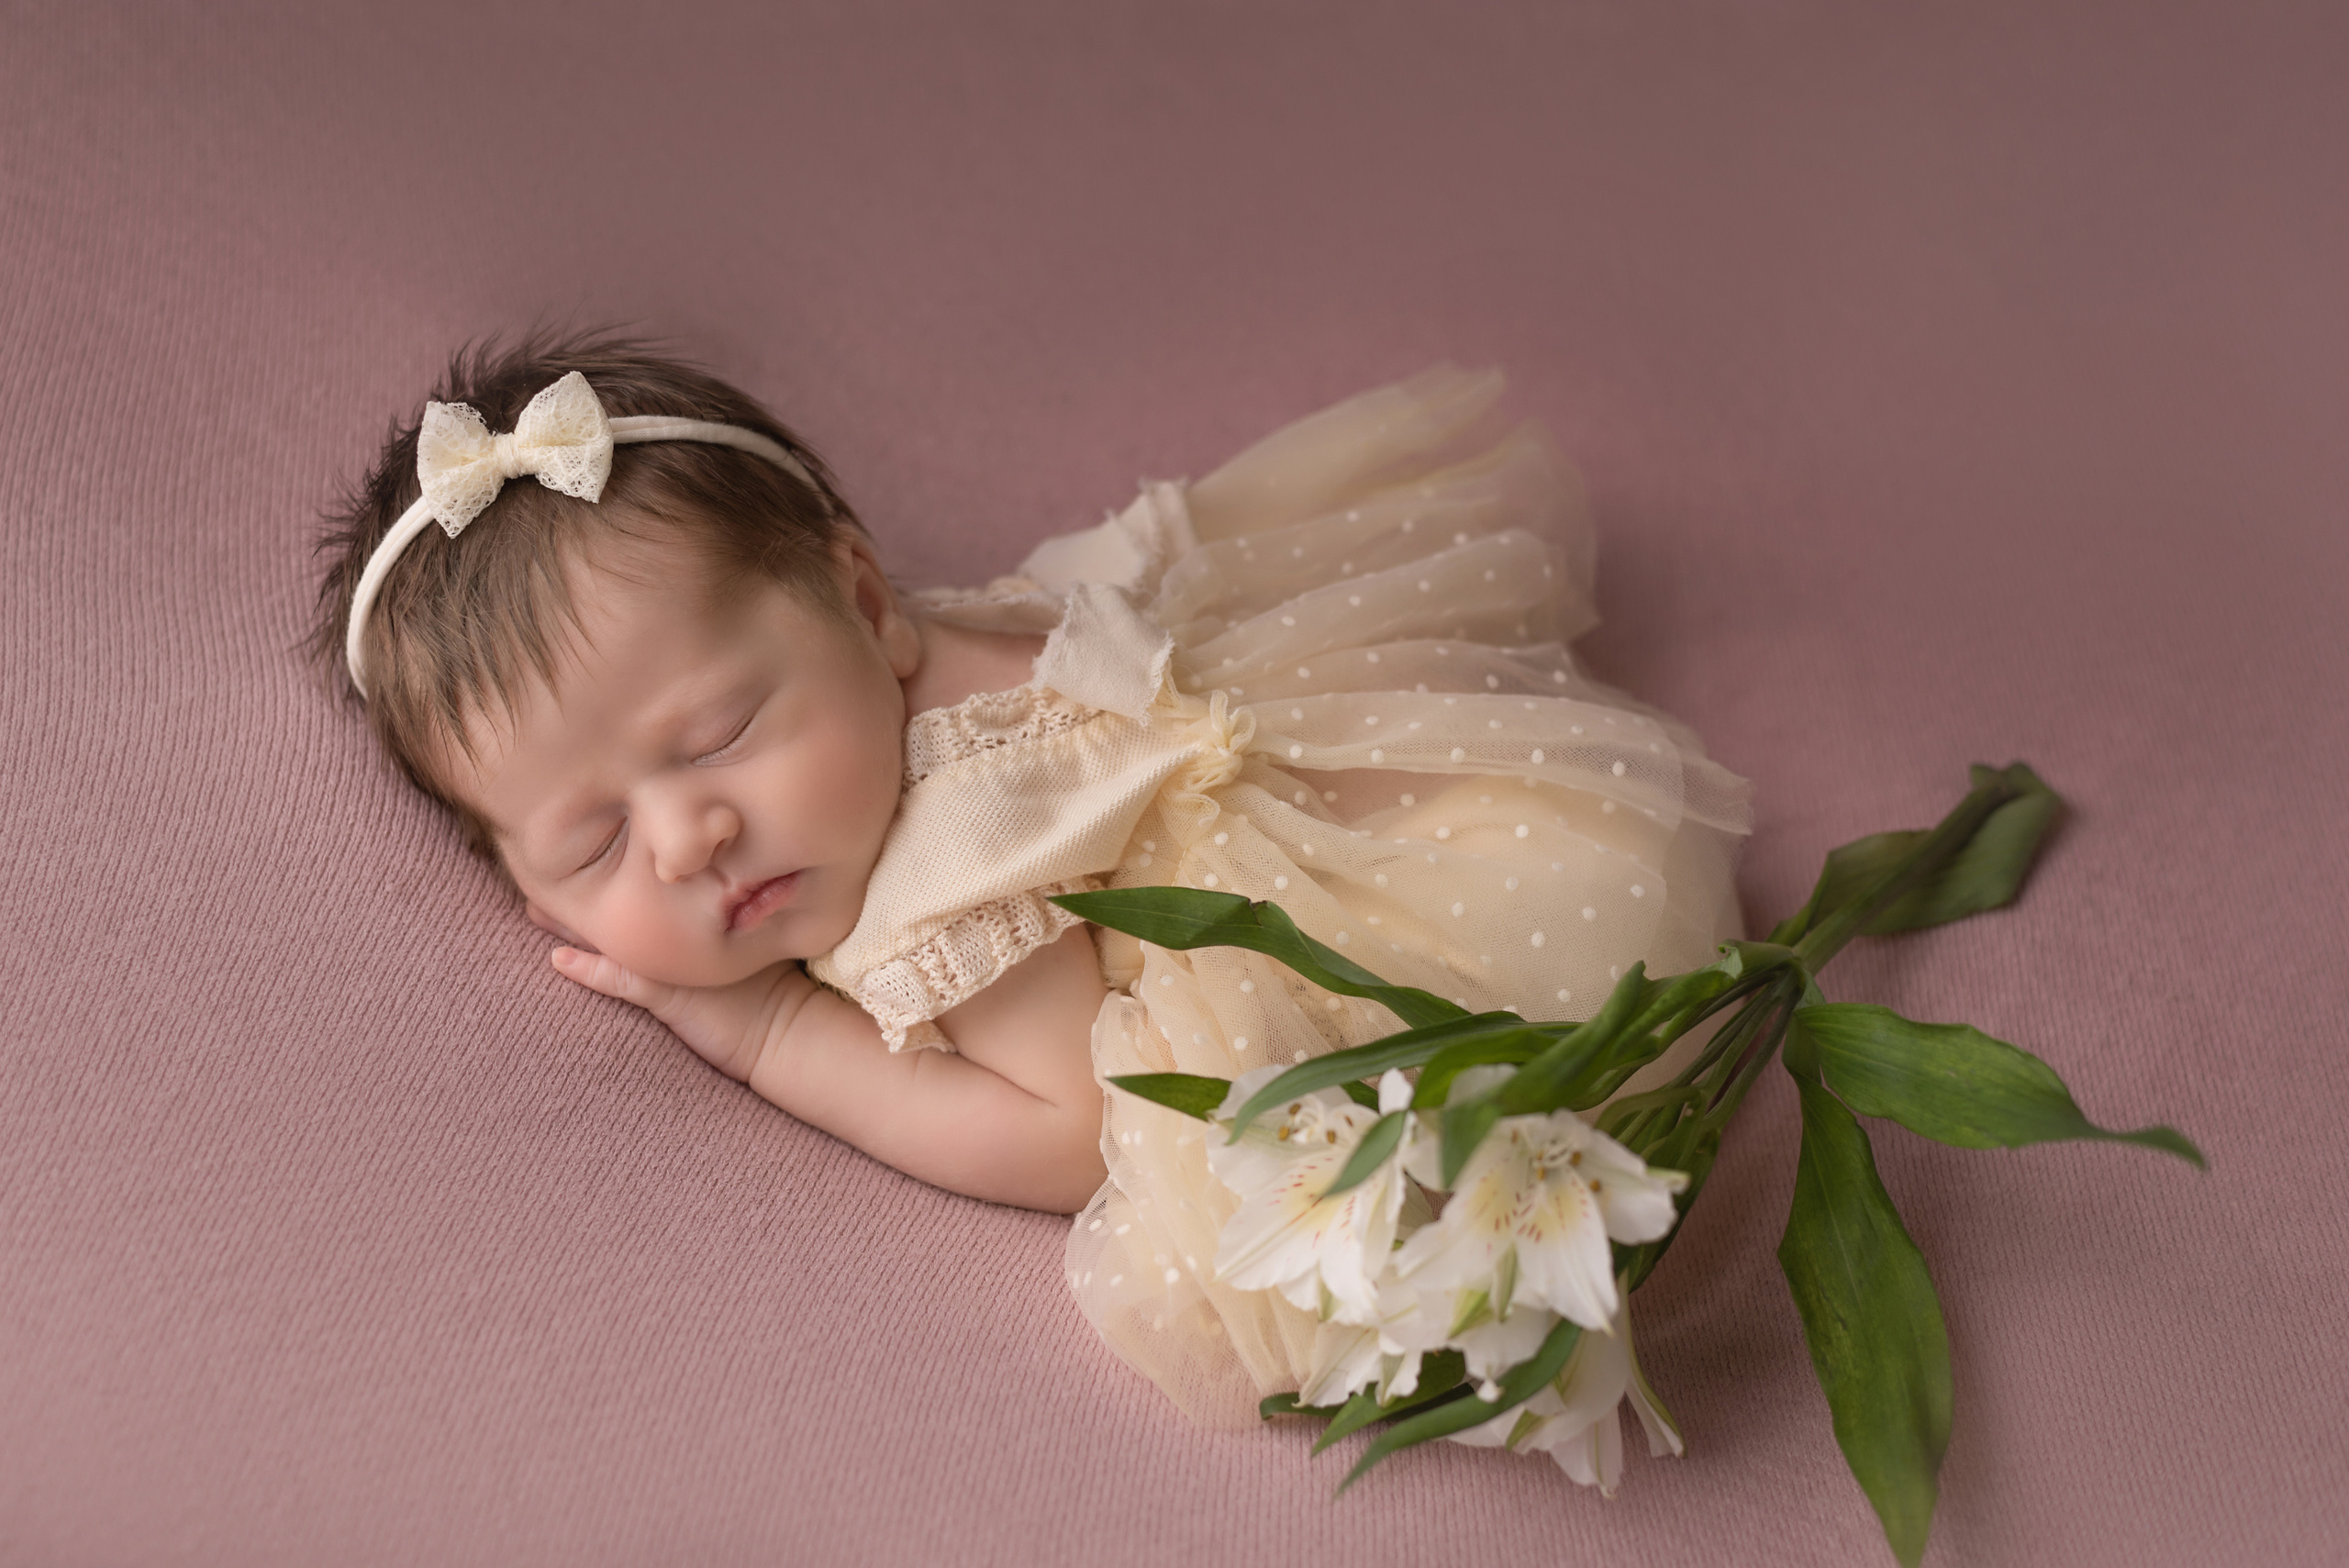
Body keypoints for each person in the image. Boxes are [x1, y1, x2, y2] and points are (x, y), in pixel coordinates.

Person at [313, 331, 1752, 1428]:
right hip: (1343, 731)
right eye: (591, 845)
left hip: (1378, 913)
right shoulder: (877, 669)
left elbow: (1067, 1130)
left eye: (718, 736)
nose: (690, 836)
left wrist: (774, 1034)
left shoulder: (942, 881)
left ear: (870, 608)